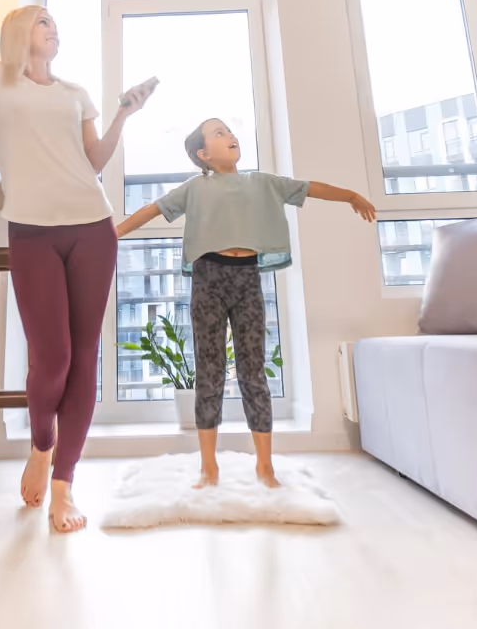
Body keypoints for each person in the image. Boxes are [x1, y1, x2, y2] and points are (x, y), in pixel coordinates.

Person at [0, 5, 155, 532]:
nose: (53, 27)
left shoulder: (75, 94)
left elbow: (94, 162)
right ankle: (42, 445)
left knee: (83, 357)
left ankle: (64, 487)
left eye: (56, 24)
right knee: (53, 356)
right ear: (19, 31)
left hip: (92, 225)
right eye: (43, 21)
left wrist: (122, 115)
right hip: (32, 230)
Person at [115, 118, 374, 488]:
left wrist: (349, 195)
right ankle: (208, 467)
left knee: (253, 372)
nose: (230, 136)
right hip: (208, 278)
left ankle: (265, 466)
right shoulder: (193, 188)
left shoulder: (262, 181)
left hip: (247, 277)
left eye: (229, 132)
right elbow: (153, 210)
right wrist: (116, 232)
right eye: (219, 134)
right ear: (203, 154)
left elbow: (309, 187)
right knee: (210, 371)